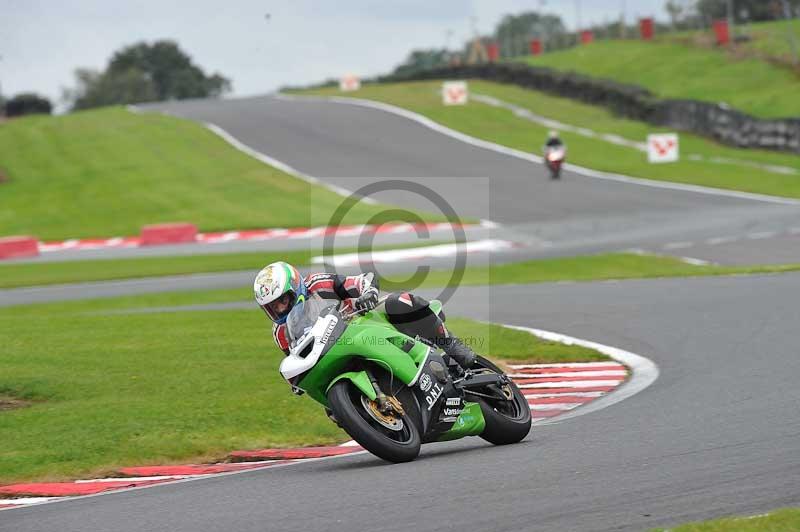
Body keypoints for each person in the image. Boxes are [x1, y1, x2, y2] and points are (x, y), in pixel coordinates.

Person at [253, 262, 476, 371]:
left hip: (367, 321)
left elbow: (361, 280)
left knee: (399, 302)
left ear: (295, 287)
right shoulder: (281, 334)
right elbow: (301, 359)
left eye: (282, 300)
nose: (280, 309)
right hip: (339, 351)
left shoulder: (317, 284)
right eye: (271, 307)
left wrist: (367, 293)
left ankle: (451, 344)